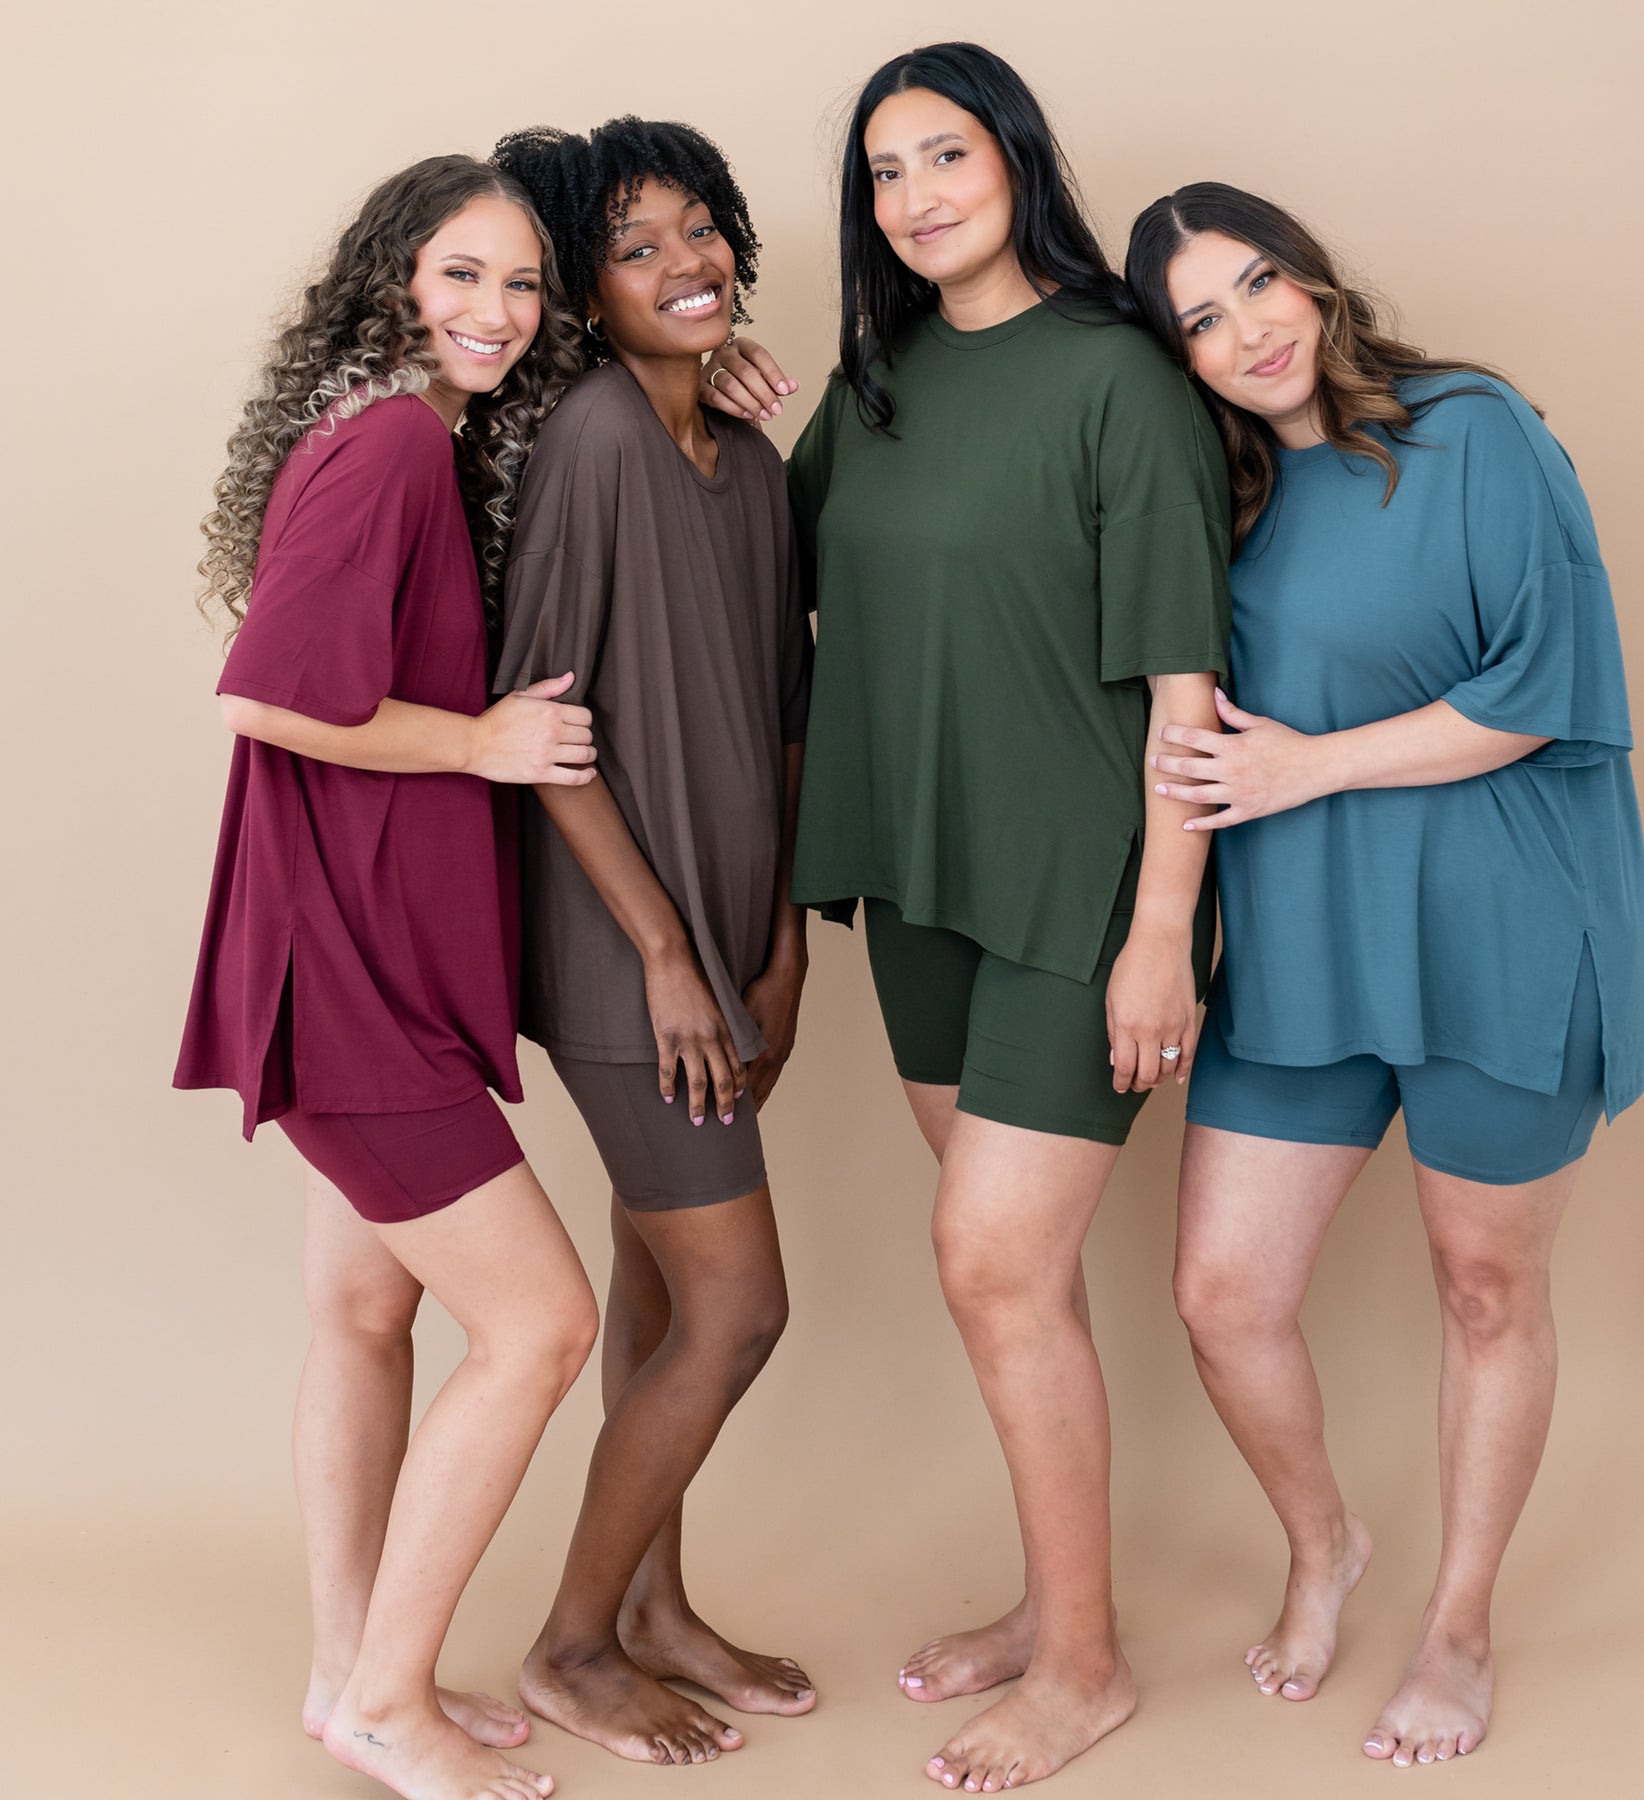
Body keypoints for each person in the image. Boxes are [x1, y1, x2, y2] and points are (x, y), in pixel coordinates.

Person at [711, 43, 1231, 1792]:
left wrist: (1165, 928)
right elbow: (770, 602)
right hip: (919, 888)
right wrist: (694, 390)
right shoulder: (866, 394)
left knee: (991, 1265)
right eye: (883, 171)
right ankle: (1053, 1598)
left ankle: (1081, 1667)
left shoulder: (1121, 379)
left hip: (1081, 894)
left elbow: (1184, 688)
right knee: (1018, 1286)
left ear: (1017, 160)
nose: (917, 195)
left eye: (948, 154)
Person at [1123, 182, 1644, 1770]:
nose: (1246, 330)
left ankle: (1460, 1624)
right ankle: (1325, 1545)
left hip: (1503, 924)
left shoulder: (1473, 430)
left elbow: (1546, 690)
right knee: (1224, 1296)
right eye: (1199, 321)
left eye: (1259, 284)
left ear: (1316, 280)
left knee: (1488, 1290)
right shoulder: (1208, 498)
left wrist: (1311, 770)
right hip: (1307, 945)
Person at [175, 154, 600, 1800]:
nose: (493, 313)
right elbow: (267, 696)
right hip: (351, 966)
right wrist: (489, 744)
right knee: (543, 1325)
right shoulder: (399, 438)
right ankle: (392, 1703)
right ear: (393, 281)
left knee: (366, 1310)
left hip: (351, 950)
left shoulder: (379, 430)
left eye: (519, 284)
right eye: (460, 276)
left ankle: (346, 1672)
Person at [489, 120, 816, 1767]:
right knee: (740, 1309)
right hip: (627, 959)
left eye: (704, 230)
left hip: (727, 937)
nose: (687, 263)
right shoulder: (596, 443)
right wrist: (674, 957)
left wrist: (778, 943)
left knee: (656, 1281)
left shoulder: (749, 457)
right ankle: (569, 1642)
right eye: (638, 245)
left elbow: (781, 715)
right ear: (586, 294)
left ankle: (653, 1609)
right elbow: (543, 730)